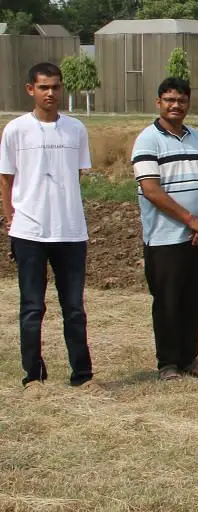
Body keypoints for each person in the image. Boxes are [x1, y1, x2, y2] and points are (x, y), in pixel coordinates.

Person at [0, 63, 94, 394]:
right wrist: (12, 217)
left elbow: (77, 174)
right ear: (31, 90)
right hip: (30, 233)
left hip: (70, 232)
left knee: (73, 307)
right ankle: (33, 377)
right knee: (31, 307)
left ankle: (82, 374)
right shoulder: (15, 130)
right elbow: (7, 178)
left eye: (55, 87)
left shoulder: (76, 130)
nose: (50, 93)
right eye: (43, 87)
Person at [132, 78, 198, 381]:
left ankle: (189, 358)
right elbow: (151, 190)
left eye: (181, 100)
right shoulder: (147, 140)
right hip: (165, 239)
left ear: (188, 103)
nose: (175, 105)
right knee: (168, 302)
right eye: (169, 100)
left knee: (195, 301)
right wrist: (189, 220)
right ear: (159, 103)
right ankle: (167, 363)